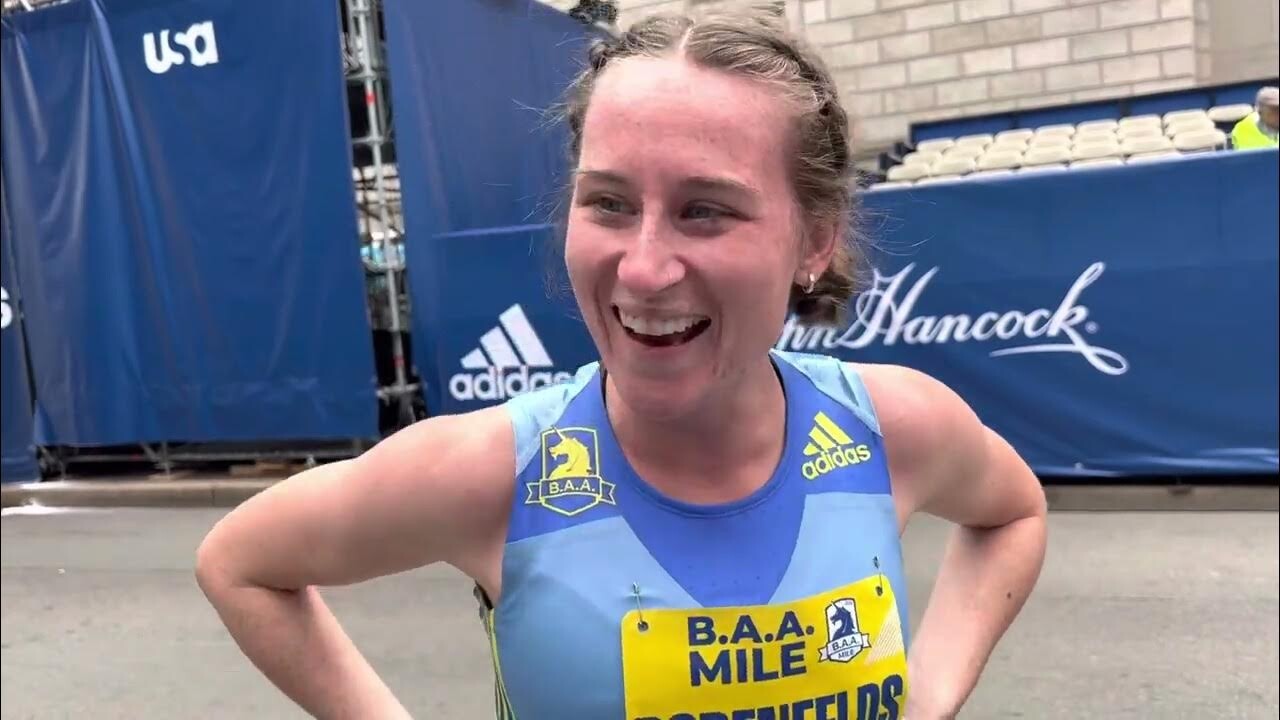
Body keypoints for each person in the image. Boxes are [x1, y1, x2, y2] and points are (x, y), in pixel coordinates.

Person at [195, 10, 1047, 720]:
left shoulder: (891, 427)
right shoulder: (494, 471)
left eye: (705, 211)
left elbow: (1012, 514)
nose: (642, 269)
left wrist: (931, 695)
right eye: (608, 202)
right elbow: (241, 564)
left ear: (814, 241)